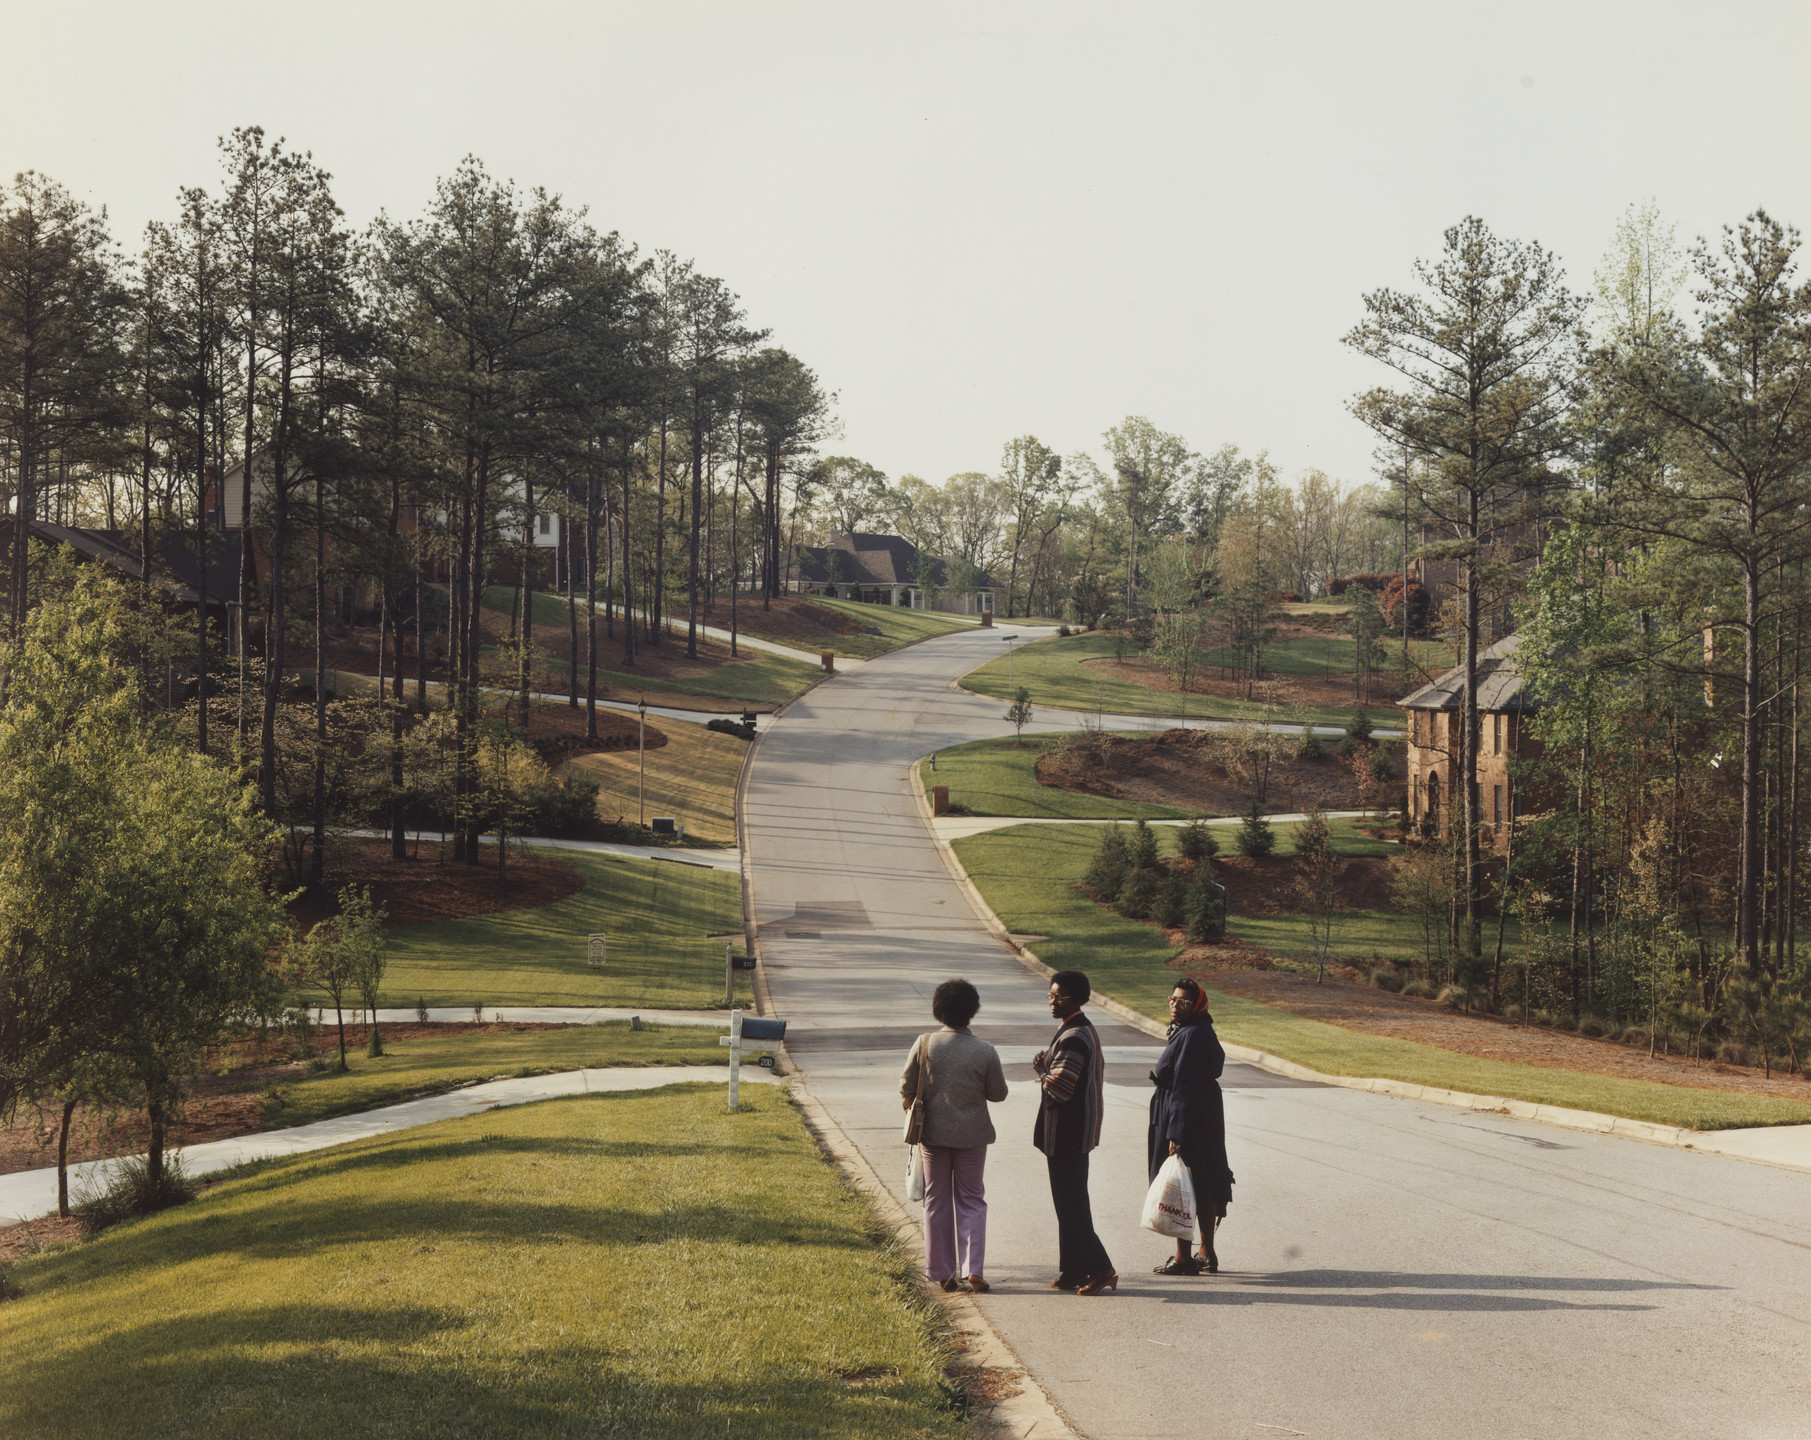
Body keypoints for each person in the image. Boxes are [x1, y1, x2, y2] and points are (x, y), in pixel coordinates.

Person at [900, 978, 1009, 1293]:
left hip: (932, 1134)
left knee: (935, 1199)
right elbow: (998, 1094)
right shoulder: (985, 1051)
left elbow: (906, 1085)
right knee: (972, 1199)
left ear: (938, 1011)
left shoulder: (924, 1044)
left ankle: (941, 1271)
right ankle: (973, 1269)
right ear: (972, 1012)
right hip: (973, 1136)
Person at [1032, 968, 1116, 1295]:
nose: (1052, 1001)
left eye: (1059, 997)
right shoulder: (1077, 1028)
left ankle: (1101, 1268)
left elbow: (1062, 1087)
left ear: (1076, 999)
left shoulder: (1075, 1035)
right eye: (1051, 995)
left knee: (1072, 1206)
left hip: (1069, 1134)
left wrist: (1043, 1070)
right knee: (1067, 1203)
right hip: (1073, 1133)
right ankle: (1072, 1269)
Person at [1148, 977, 1234, 1275]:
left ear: (1196, 1006)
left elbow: (1184, 1086)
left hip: (1187, 1116)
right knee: (1202, 1181)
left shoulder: (1193, 1035)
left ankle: (1184, 1257)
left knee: (1181, 1185)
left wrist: (1176, 1134)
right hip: (1202, 1115)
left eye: (1183, 1002)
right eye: (1172, 999)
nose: (1175, 1005)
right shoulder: (1194, 1030)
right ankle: (1206, 1253)